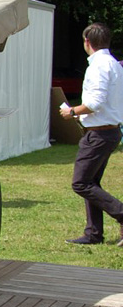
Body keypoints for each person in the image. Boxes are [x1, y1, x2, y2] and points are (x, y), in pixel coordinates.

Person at [59, 23, 123, 245]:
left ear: (87, 42)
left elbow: (94, 103)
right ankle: (93, 233)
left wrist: (72, 112)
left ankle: (120, 215)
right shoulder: (114, 64)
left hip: (98, 134)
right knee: (92, 182)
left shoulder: (98, 66)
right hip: (110, 132)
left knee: (81, 183)